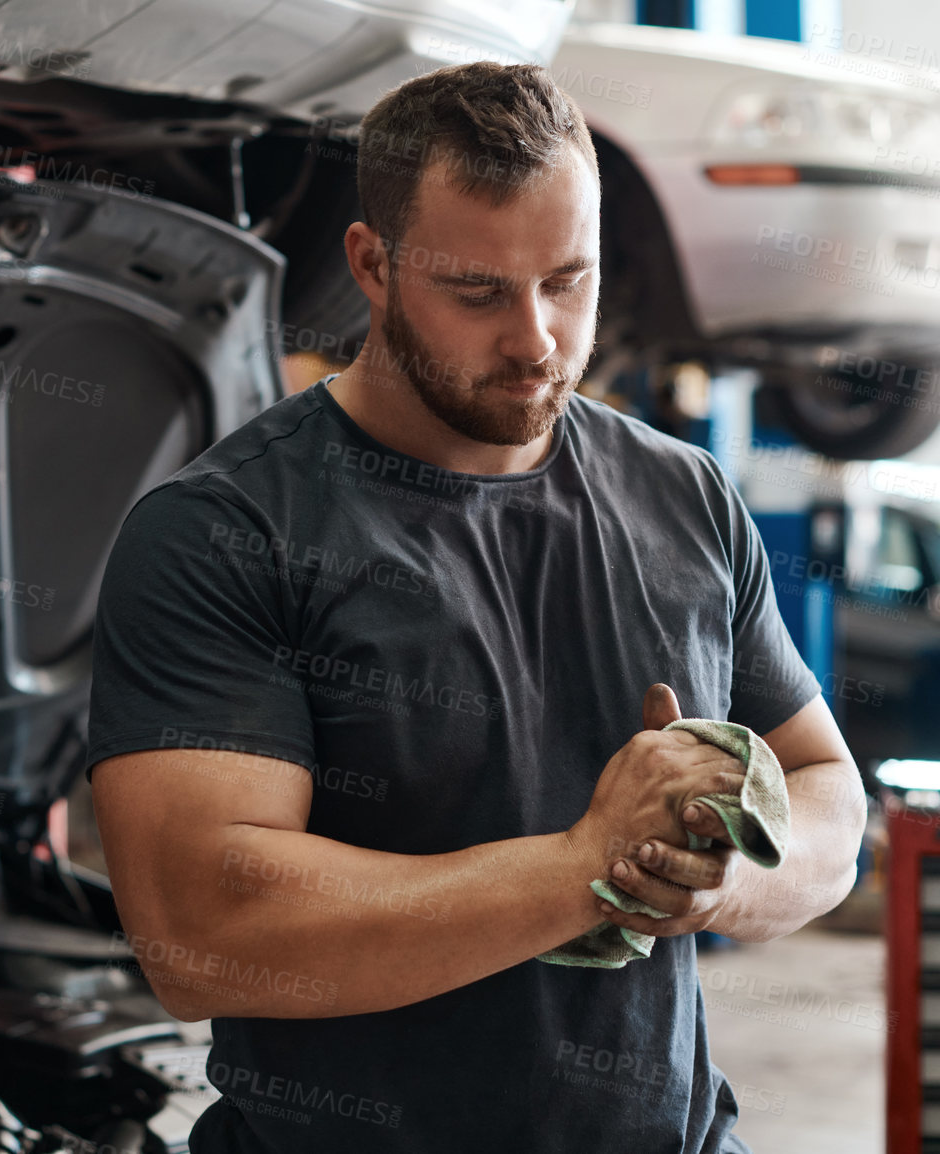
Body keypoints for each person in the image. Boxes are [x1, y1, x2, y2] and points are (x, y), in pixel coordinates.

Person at [84, 60, 865, 1154]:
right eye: (479, 291)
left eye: (569, 280)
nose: (537, 337)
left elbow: (827, 789)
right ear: (372, 263)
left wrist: (722, 877)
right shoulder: (226, 531)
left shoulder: (682, 495)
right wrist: (587, 863)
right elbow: (206, 934)